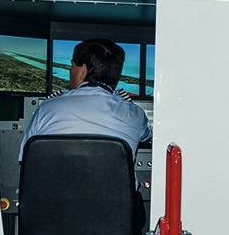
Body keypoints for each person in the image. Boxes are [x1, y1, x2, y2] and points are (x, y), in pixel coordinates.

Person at [18, 37, 151, 159]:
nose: (70, 71)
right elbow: (148, 136)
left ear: (82, 71)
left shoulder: (46, 108)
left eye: (72, 65)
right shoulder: (135, 115)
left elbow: (25, 156)